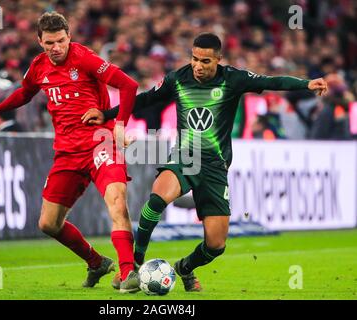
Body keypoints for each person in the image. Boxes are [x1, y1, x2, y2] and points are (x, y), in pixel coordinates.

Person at [81, 32, 328, 292]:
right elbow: (145, 99)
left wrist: (306, 84)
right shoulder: (178, 78)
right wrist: (107, 115)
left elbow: (272, 81)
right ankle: (133, 265)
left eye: (206, 61)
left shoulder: (233, 78)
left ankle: (184, 268)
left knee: (216, 245)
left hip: (215, 167)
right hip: (185, 157)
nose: (198, 65)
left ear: (218, 60)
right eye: (195, 59)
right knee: (156, 200)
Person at [0, 12, 140, 293]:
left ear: (69, 37)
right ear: (40, 41)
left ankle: (128, 272)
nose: (56, 47)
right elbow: (25, 92)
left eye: (61, 40)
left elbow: (128, 85)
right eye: (50, 42)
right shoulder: (38, 67)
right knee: (48, 224)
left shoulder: (85, 58)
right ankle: (96, 262)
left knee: (117, 202)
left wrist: (119, 126)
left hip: (100, 142)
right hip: (66, 152)